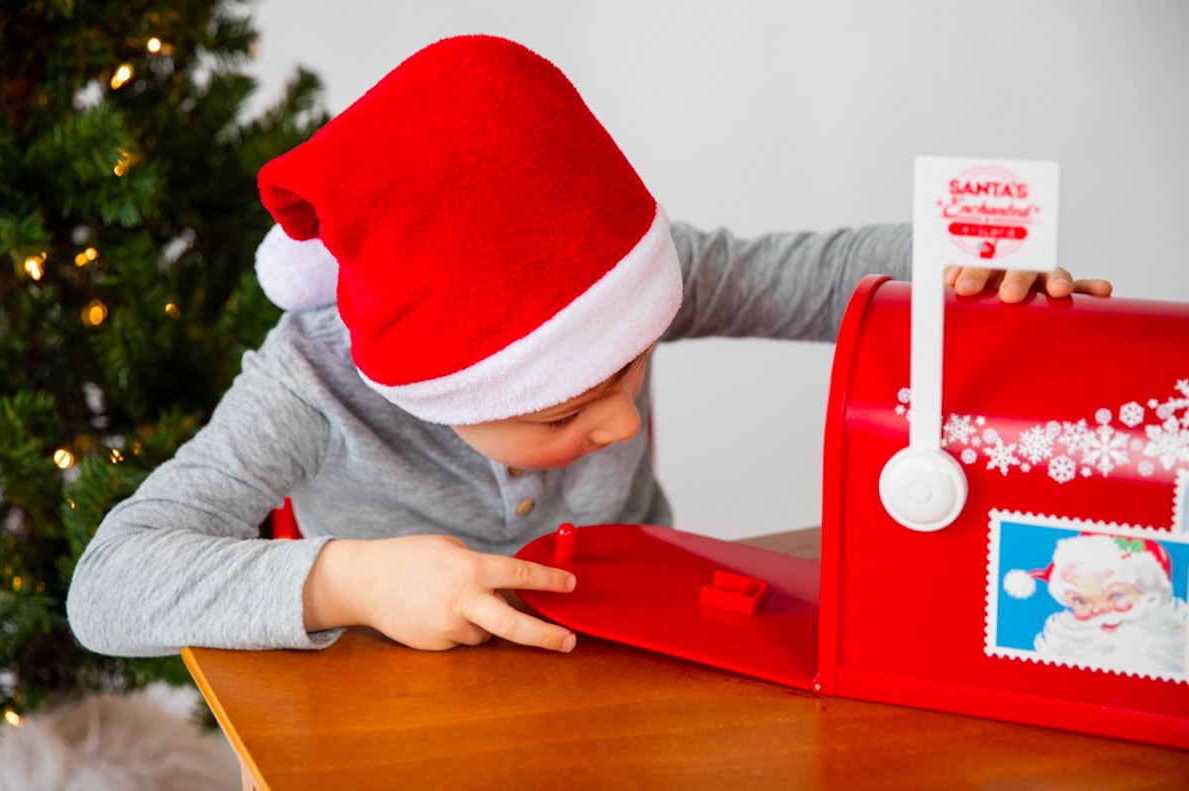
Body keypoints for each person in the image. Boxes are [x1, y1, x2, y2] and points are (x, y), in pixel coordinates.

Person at [66, 35, 1112, 659]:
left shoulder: (627, 285)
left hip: (627, 639)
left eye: (632, 373)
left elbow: (831, 272)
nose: (618, 423)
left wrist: (972, 264)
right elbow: (109, 582)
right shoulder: (308, 383)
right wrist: (348, 585)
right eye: (563, 411)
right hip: (401, 694)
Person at [1006, 533, 1187, 674]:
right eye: (1081, 601)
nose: (1099, 610)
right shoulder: (1066, 649)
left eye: (1116, 595)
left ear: (1149, 592)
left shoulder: (1172, 646)